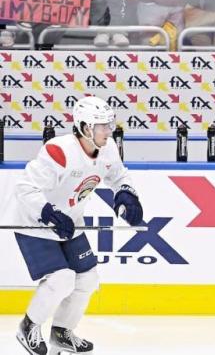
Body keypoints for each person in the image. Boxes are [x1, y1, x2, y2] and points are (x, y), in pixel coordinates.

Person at [11, 96, 143, 355]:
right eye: (102, 126)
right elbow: (25, 189)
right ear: (85, 128)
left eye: (109, 124)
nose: (109, 130)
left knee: (87, 279)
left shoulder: (108, 148)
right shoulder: (58, 150)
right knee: (61, 279)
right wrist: (50, 213)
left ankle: (61, 332)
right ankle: (28, 327)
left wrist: (126, 193)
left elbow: (118, 175)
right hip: (34, 223)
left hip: (72, 221)